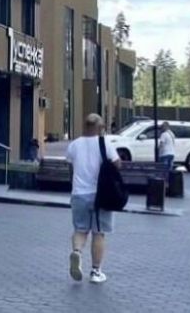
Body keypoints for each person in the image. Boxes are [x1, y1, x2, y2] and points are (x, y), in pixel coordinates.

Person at [63, 113, 121, 285]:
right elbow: (118, 164)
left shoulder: (74, 145)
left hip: (78, 194)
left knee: (80, 230)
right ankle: (96, 271)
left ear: (85, 125)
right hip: (100, 195)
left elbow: (70, 167)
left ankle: (77, 252)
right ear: (100, 127)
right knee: (98, 233)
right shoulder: (105, 144)